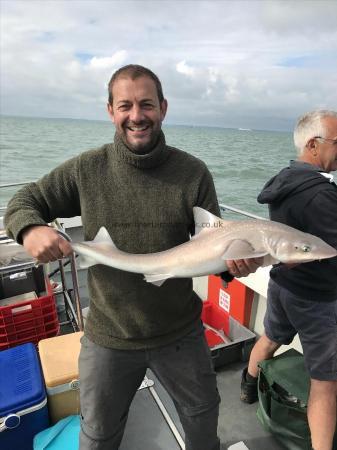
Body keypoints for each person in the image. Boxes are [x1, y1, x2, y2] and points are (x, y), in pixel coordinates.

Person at [5, 64, 261, 450]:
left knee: (204, 421)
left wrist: (234, 264)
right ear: (110, 110)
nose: (137, 116)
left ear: (163, 108)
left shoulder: (193, 173)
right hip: (110, 334)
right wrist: (29, 229)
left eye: (147, 104)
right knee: (98, 434)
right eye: (125, 105)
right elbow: (23, 201)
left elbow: (214, 245)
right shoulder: (86, 170)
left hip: (180, 331)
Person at [240, 110, 337, 450]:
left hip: (282, 285)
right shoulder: (322, 195)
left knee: (270, 338)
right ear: (314, 144)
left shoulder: (285, 179)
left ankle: (248, 387)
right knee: (325, 382)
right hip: (316, 298)